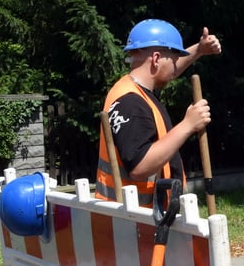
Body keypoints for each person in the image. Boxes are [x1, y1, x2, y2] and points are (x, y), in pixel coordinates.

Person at [95, 19, 222, 205]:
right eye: (174, 58)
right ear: (155, 58)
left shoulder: (130, 89)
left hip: (138, 218)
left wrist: (200, 50)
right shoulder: (131, 103)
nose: (176, 65)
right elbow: (140, 166)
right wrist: (188, 125)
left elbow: (169, 71)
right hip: (139, 220)